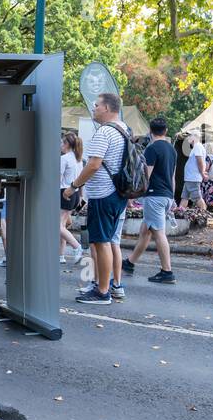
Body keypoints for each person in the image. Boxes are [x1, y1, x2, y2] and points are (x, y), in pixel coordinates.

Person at [65, 91, 128, 305]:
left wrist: (74, 186)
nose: (94, 109)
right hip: (118, 194)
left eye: (97, 105)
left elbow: (93, 164)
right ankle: (105, 285)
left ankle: (102, 291)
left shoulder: (105, 132)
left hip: (103, 194)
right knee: (107, 242)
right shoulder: (124, 130)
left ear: (108, 108)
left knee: (101, 243)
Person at [122, 115, 176, 283]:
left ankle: (167, 271)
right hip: (166, 195)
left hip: (154, 195)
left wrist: (134, 194)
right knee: (146, 231)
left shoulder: (152, 149)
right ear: (166, 131)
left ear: (150, 131)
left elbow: (146, 175)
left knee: (158, 233)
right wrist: (172, 197)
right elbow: (173, 176)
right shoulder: (172, 150)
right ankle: (130, 262)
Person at [59, 132, 84, 263]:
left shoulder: (64, 158)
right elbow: (81, 180)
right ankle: (60, 255)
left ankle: (77, 246)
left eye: (62, 142)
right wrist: (81, 196)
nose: (61, 145)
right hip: (74, 194)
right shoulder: (78, 158)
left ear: (67, 144)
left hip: (64, 192)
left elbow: (58, 178)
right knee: (62, 226)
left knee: (58, 226)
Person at [181, 134, 207, 215]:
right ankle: (180, 213)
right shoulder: (197, 147)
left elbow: (200, 161)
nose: (187, 138)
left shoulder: (197, 147)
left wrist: (202, 173)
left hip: (193, 177)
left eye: (189, 136)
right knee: (185, 197)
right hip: (190, 177)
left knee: (197, 198)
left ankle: (203, 214)